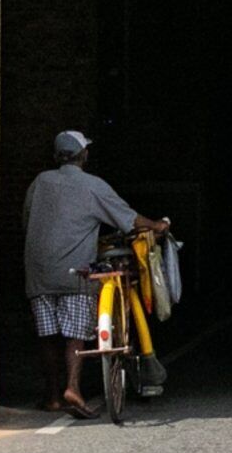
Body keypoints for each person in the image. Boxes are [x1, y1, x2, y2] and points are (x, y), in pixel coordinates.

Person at [21, 129, 162, 418]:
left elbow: (26, 220)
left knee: (47, 333)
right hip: (74, 272)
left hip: (38, 271)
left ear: (56, 156)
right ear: (83, 156)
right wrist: (157, 225)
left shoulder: (39, 182)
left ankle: (52, 397)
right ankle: (73, 387)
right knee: (75, 333)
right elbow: (130, 220)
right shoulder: (93, 185)